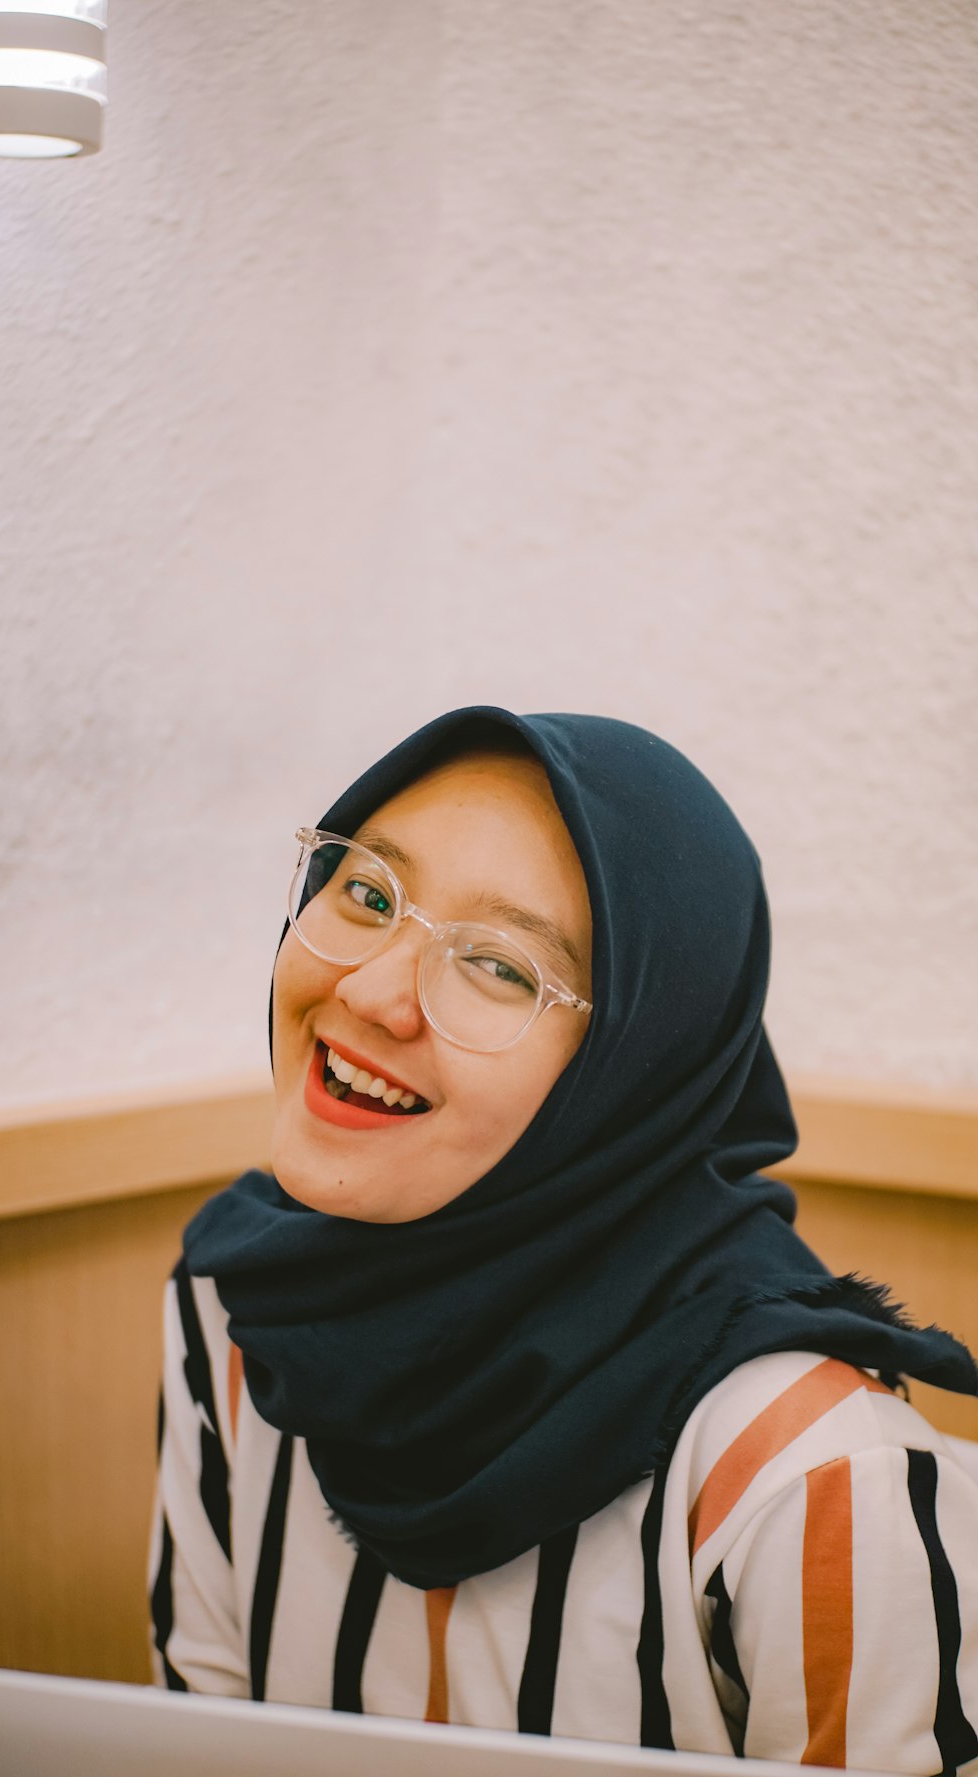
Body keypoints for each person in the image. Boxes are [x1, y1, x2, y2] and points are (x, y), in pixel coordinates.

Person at [150, 705, 978, 1771]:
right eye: (366, 893)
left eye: (496, 966)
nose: (366, 991)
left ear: (629, 1072)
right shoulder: (235, 1316)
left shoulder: (809, 1473)